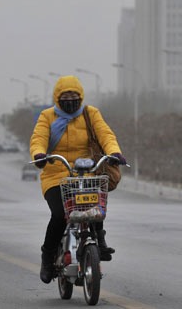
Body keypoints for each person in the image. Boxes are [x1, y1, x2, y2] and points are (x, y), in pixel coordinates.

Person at [30, 75, 127, 284]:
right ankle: (47, 257)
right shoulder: (47, 117)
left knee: (96, 206)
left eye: (74, 95)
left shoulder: (90, 114)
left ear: (81, 96)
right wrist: (39, 155)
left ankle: (99, 241)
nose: (70, 99)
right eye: (65, 96)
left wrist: (115, 153)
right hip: (56, 175)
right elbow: (38, 139)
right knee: (59, 215)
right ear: (57, 98)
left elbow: (106, 135)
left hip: (86, 172)